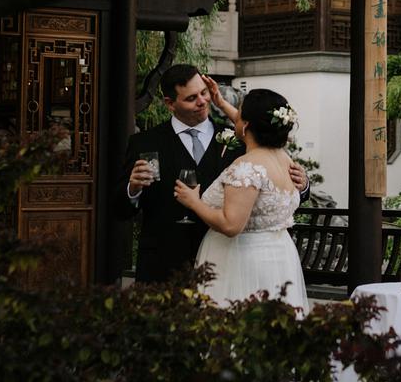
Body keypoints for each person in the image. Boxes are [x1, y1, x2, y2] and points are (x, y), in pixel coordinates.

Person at [120, 65, 307, 283]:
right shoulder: (145, 142)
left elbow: (272, 187)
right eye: (191, 98)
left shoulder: (244, 139)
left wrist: (302, 185)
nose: (201, 101)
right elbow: (119, 208)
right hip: (163, 263)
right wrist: (132, 189)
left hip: (228, 264)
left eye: (204, 93)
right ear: (170, 104)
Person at [172, 86, 309, 310]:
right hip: (278, 256)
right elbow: (250, 120)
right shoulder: (285, 159)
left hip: (240, 260)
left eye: (240, 113)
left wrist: (193, 201)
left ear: (246, 126)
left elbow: (231, 224)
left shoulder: (247, 166)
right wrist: (221, 103)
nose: (235, 116)